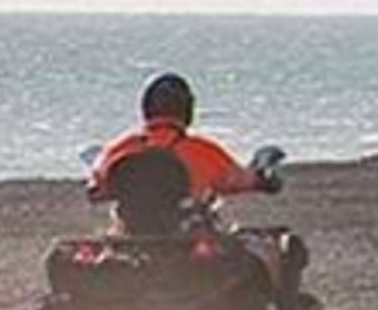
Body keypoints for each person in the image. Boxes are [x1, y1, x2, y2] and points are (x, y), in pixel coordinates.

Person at [88, 73, 269, 218]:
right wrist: (263, 176)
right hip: (187, 236)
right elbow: (239, 180)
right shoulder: (201, 151)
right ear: (187, 110)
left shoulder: (119, 149)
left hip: (130, 235)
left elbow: (95, 189)